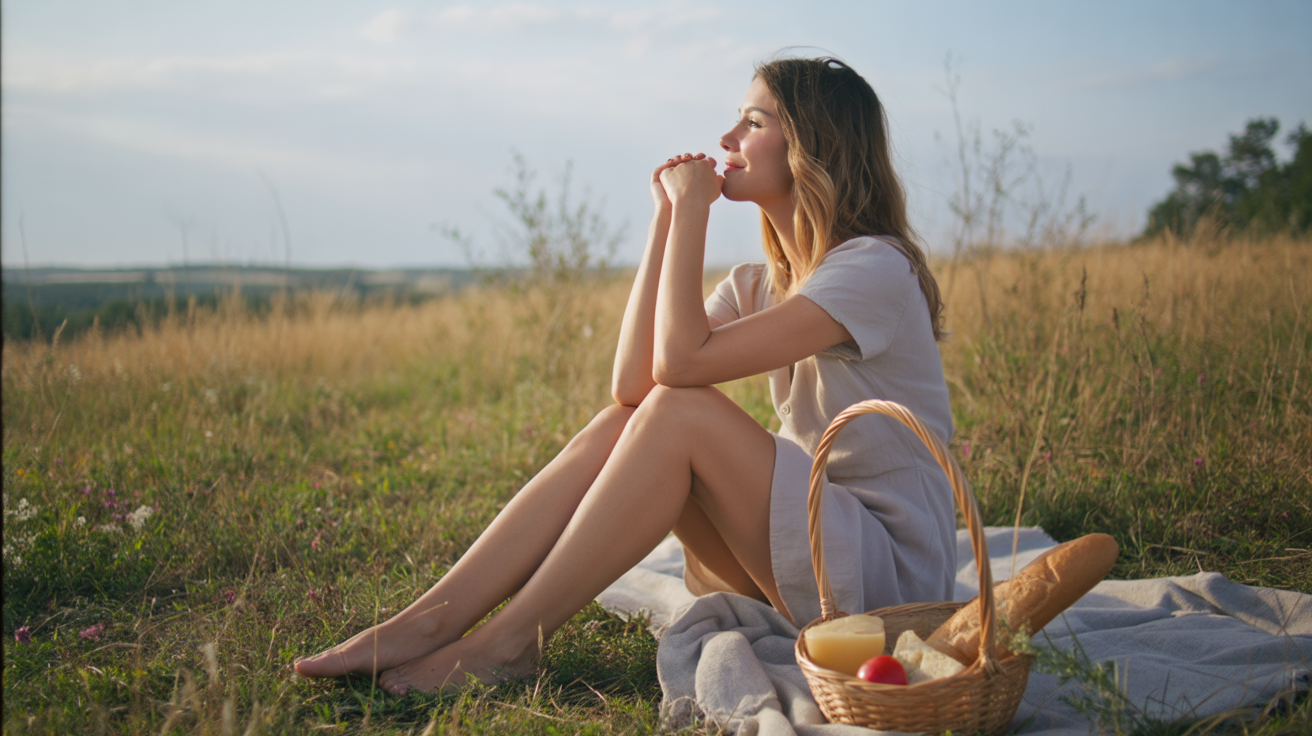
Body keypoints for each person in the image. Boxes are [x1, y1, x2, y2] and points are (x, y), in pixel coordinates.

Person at [295, 56, 957, 695]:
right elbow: (634, 387)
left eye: (753, 123)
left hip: (887, 578)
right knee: (631, 419)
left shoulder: (873, 266)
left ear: (813, 146)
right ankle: (428, 620)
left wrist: (694, 210)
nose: (726, 138)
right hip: (808, 548)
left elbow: (680, 368)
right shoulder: (763, 283)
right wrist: (665, 218)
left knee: (682, 411)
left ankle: (508, 645)